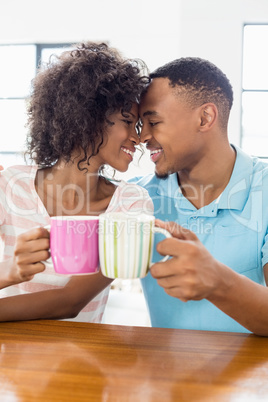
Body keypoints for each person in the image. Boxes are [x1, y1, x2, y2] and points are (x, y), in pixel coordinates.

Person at [0, 42, 153, 322]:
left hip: (81, 361)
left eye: (138, 127)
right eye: (127, 121)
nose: (138, 138)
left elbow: (69, 303)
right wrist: (8, 271)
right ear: (89, 117)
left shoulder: (130, 203)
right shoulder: (11, 185)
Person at [132, 57, 268, 336]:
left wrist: (218, 281)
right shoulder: (136, 198)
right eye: (139, 125)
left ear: (205, 118)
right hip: (166, 375)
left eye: (154, 121)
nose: (142, 136)